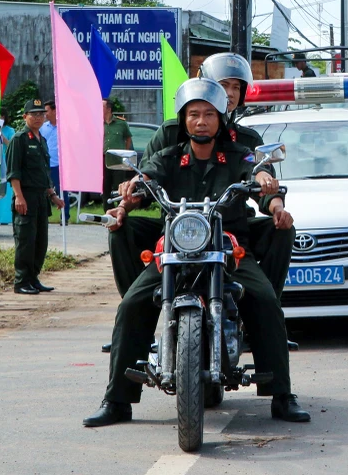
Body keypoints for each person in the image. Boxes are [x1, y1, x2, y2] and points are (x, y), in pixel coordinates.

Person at [83, 78, 309, 427]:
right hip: (177, 247)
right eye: (193, 115)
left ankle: (282, 396)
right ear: (184, 119)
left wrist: (273, 197)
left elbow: (259, 173)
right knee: (132, 304)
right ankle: (117, 401)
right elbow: (147, 178)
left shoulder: (238, 154)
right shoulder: (168, 156)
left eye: (207, 114)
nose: (200, 121)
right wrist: (131, 191)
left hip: (228, 247)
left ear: (220, 118)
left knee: (264, 300)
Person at [108, 52, 296, 304]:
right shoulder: (171, 134)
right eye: (222, 85)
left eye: (235, 87)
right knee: (118, 230)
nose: (229, 93)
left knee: (282, 235)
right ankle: (137, 310)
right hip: (176, 228)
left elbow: (260, 175)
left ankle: (264, 311)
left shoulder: (247, 140)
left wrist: (275, 202)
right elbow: (148, 179)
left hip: (229, 227)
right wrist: (125, 201)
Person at [5, 99, 65, 295]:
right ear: (25, 117)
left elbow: (44, 173)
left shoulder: (42, 140)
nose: (38, 117)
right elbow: (14, 173)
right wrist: (19, 197)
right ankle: (21, 281)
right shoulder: (19, 139)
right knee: (25, 241)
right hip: (26, 196)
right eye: (34, 114)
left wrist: (53, 195)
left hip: (41, 197)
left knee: (40, 241)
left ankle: (33, 278)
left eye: (41, 114)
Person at [40, 99, 69, 223]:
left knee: (62, 191)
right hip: (44, 165)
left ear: (54, 110)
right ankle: (43, 216)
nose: (45, 114)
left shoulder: (65, 126)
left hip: (59, 165)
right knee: (43, 191)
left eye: (47, 111)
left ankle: (65, 217)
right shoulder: (42, 128)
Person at [102, 99, 134, 211]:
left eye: (102, 107)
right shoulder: (97, 123)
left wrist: (124, 151)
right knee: (105, 186)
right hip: (104, 159)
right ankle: (107, 211)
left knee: (119, 186)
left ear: (109, 109)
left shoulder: (121, 123)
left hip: (118, 159)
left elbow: (128, 138)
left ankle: (121, 209)